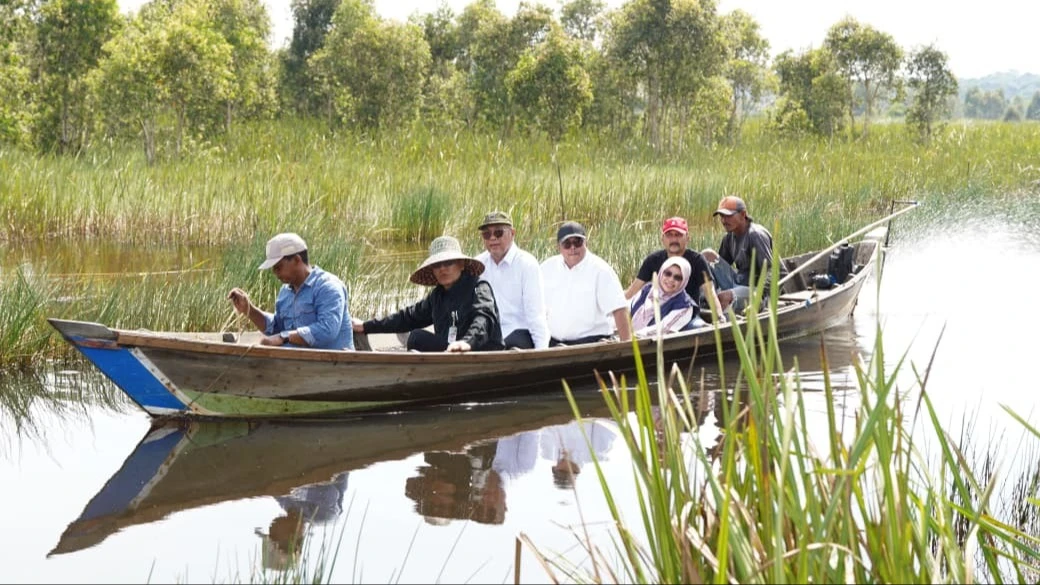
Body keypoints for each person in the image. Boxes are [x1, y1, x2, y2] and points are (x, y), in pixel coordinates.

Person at [352, 235, 504, 353]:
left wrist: (467, 342)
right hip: (450, 352)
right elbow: (408, 317)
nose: (442, 269)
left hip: (480, 351)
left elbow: (484, 318)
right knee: (417, 336)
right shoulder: (437, 295)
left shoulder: (479, 287)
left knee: (417, 338)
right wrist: (366, 326)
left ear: (461, 264)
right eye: (437, 265)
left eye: (448, 263)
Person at [227, 232, 355, 350]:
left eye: (278, 267)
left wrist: (284, 337)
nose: (275, 273)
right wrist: (249, 309)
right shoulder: (285, 292)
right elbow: (276, 328)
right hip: (295, 363)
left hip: (331, 364)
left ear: (297, 260)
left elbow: (327, 330)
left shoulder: (328, 287)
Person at [540, 222, 632, 346]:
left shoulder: (601, 270)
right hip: (553, 343)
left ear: (586, 243)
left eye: (577, 242)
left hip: (592, 344)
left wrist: (627, 348)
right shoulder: (546, 268)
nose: (572, 248)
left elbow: (619, 308)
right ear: (558, 247)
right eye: (567, 244)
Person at [473, 210, 550, 350]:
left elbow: (536, 314)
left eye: (498, 233)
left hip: (518, 334)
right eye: (487, 234)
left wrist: (542, 351)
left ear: (512, 233)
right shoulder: (478, 264)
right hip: (488, 335)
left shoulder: (527, 264)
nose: (492, 238)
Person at [624, 216, 725, 320]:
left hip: (688, 314)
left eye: (678, 235)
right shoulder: (653, 260)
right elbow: (633, 291)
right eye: (669, 235)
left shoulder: (697, 260)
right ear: (662, 238)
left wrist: (719, 315)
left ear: (687, 238)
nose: (674, 239)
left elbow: (710, 292)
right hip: (658, 316)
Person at [701, 196, 785, 313]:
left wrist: (760, 296)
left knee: (724, 297)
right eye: (722, 216)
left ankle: (721, 315)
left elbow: (774, 270)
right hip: (739, 281)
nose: (724, 221)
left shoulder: (755, 235)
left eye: (728, 216)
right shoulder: (729, 238)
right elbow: (718, 269)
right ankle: (702, 304)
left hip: (757, 288)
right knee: (707, 255)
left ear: (743, 214)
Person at [629, 256, 704, 337]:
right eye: (668, 274)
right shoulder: (647, 289)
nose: (671, 279)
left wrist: (633, 336)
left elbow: (664, 328)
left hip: (647, 342)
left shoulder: (684, 305)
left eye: (678, 278)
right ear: (661, 272)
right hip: (627, 337)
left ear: (684, 281)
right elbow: (629, 309)